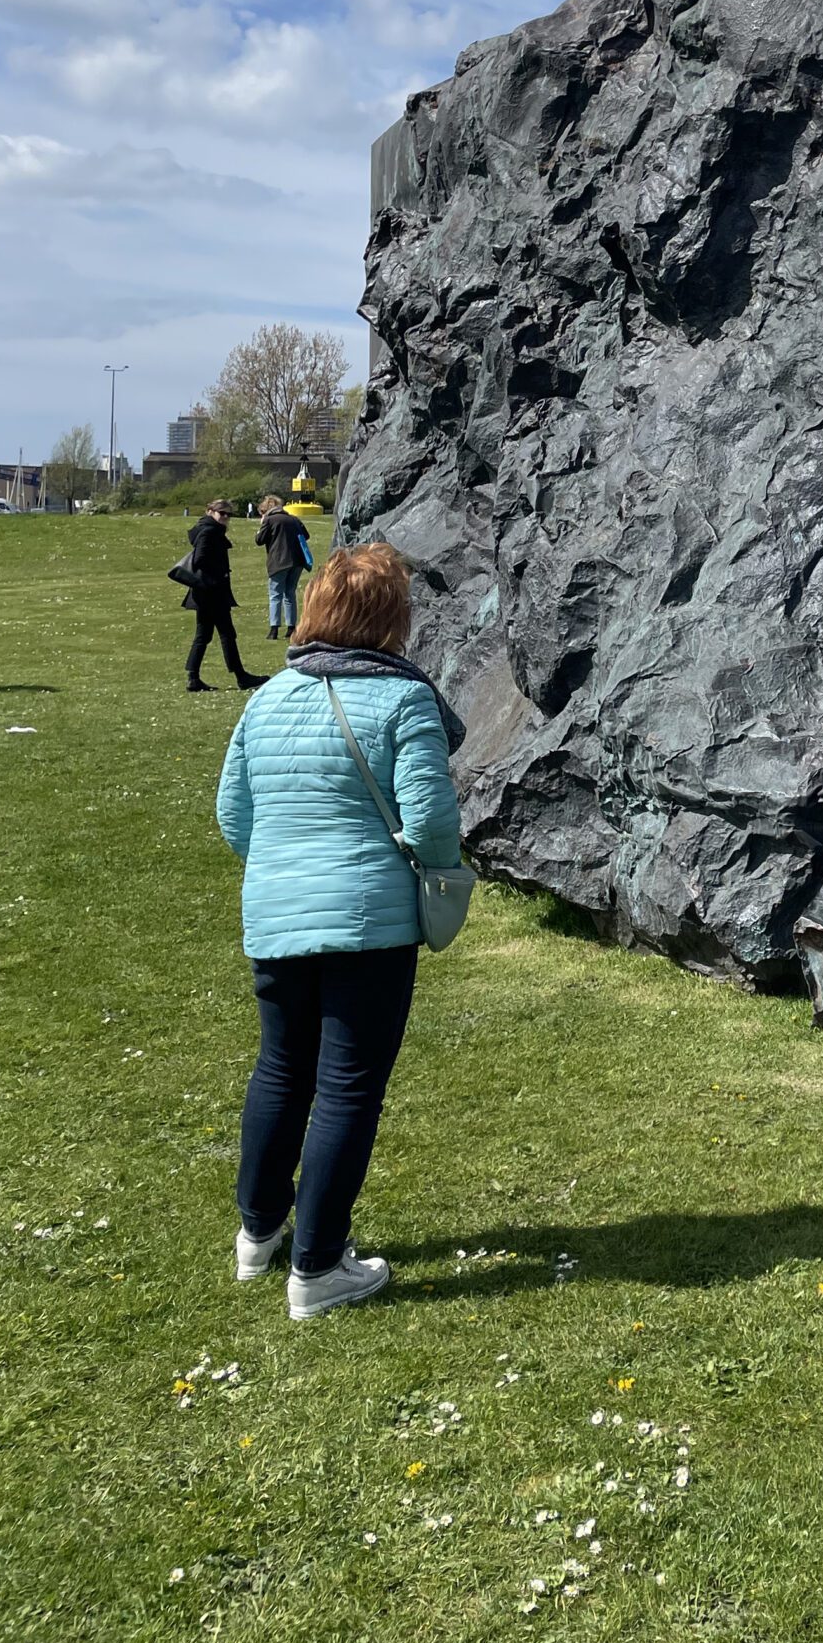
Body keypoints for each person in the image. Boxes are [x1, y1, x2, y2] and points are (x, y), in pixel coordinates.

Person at [215, 542, 464, 1317]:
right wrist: (438, 872)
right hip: (368, 919)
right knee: (348, 1086)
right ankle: (318, 1267)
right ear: (393, 619)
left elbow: (233, 815)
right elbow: (431, 819)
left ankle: (259, 1231)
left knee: (281, 1069)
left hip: (276, 911)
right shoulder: (404, 699)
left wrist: (284, 867)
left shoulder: (268, 698)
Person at [183, 500, 266, 693]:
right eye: (222, 513)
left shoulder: (208, 529)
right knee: (226, 634)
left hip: (206, 593)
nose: (226, 517)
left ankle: (193, 677)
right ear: (210, 511)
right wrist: (218, 576)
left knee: (205, 635)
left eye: (229, 514)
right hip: (212, 592)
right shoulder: (209, 532)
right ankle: (241, 676)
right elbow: (200, 560)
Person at [254, 493, 313, 639]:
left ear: (266, 509)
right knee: (290, 594)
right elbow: (306, 535)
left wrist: (262, 525)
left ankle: (274, 629)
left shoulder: (269, 520)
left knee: (275, 595)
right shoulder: (294, 519)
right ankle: (291, 628)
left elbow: (259, 540)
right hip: (297, 561)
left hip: (278, 561)